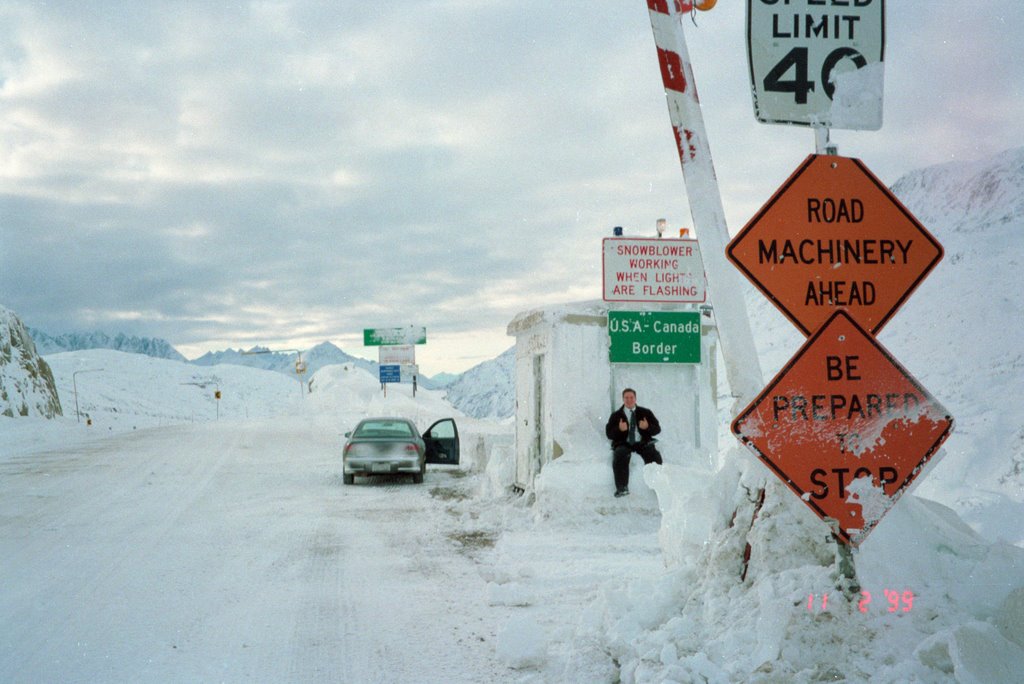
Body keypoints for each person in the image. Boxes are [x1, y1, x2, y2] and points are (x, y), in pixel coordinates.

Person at [605, 388, 663, 497]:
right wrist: (619, 430)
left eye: (631, 397)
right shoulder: (616, 415)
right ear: (623, 399)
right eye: (626, 398)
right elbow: (609, 434)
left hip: (642, 442)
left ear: (635, 398)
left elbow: (657, 429)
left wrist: (647, 427)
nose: (629, 400)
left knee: (654, 455)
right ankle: (622, 488)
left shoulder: (645, 412)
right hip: (624, 443)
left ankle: (659, 487)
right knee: (620, 454)